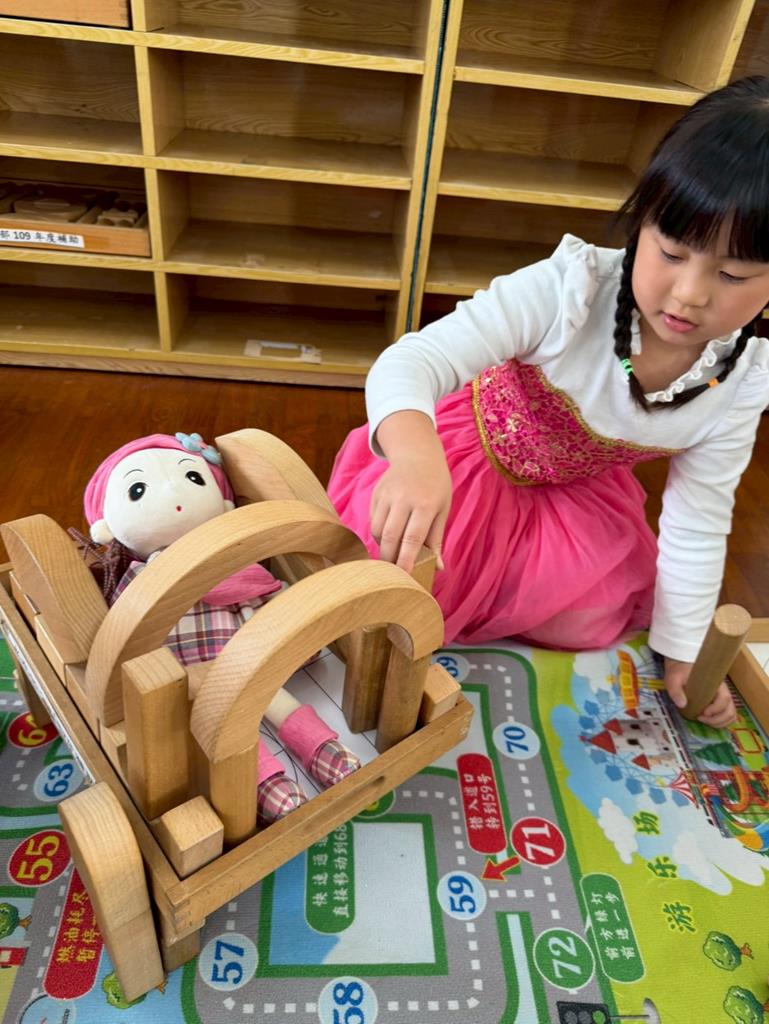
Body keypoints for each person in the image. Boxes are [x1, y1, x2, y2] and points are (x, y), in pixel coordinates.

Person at [328, 75, 769, 730]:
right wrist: (415, 458)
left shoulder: (742, 379)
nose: (689, 295)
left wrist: (681, 655)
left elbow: (697, 520)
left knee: (586, 617)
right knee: (392, 580)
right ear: (640, 223)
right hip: (459, 469)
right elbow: (411, 361)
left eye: (732, 275)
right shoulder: (571, 290)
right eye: (671, 253)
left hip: (569, 502)